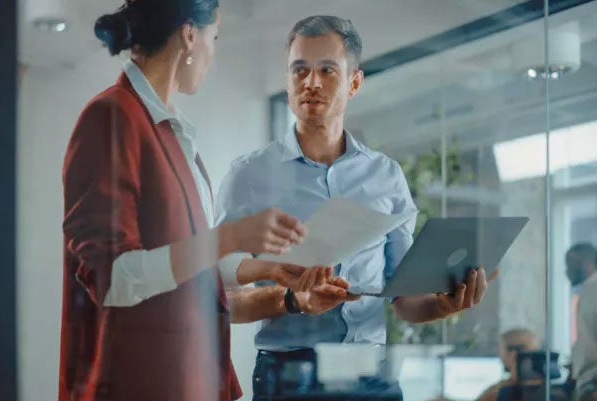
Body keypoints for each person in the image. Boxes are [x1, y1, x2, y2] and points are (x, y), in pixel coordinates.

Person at [59, 2, 352, 401]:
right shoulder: (110, 117)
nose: (214, 53)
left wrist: (270, 268)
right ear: (189, 35)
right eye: (215, 37)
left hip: (190, 378)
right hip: (139, 383)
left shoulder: (171, 132)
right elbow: (113, 278)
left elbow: (188, 265)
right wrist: (230, 236)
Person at [215, 16, 497, 395]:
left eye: (327, 70)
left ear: (354, 83)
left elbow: (403, 298)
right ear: (287, 81)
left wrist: (443, 306)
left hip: (373, 374)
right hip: (290, 377)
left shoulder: (386, 176)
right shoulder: (248, 176)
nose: (311, 82)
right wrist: (293, 300)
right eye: (300, 70)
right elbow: (218, 300)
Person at [567, 243, 597, 401]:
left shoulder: (592, 291)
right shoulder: (585, 292)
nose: (566, 271)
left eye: (571, 264)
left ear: (587, 264)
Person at [475, 329, 540, 401]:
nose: (499, 355)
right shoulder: (547, 390)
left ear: (513, 355)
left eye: (500, 350)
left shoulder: (498, 393)